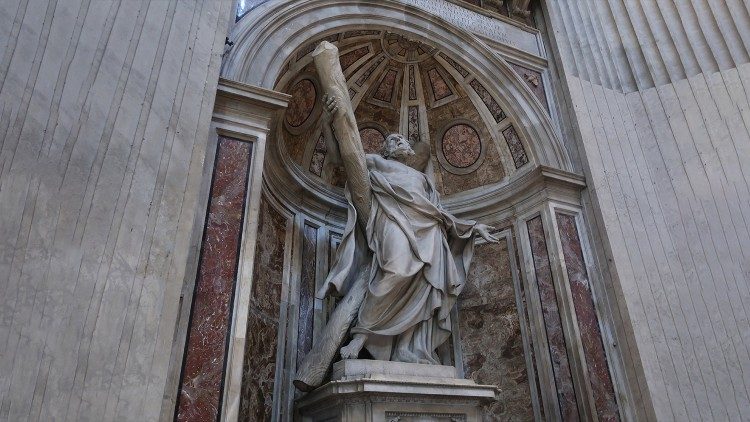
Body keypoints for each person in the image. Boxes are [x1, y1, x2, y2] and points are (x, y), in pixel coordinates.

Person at [317, 95, 498, 365]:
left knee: (424, 287)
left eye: (402, 140)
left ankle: (406, 348)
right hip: (394, 221)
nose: (399, 141)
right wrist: (328, 120)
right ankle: (361, 336)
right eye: (393, 140)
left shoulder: (422, 179)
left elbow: (438, 212)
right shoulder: (379, 164)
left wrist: (472, 227)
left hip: (430, 232)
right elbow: (337, 157)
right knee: (396, 271)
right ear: (385, 150)